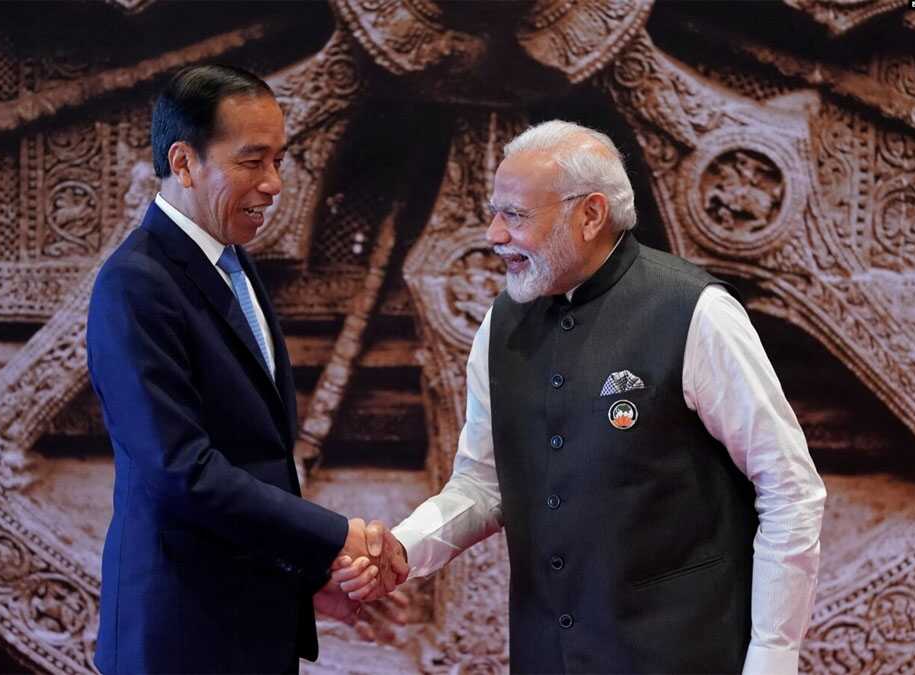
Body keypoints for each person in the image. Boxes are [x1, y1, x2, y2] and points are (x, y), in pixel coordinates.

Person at [366, 120, 826, 674]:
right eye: (495, 212)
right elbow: (484, 483)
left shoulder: (694, 312)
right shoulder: (501, 322)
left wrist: (773, 658)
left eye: (514, 215)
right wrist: (405, 549)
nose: (493, 234)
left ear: (590, 215)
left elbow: (789, 490)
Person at [86, 64, 406, 674]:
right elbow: (180, 470)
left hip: (251, 625)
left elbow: (256, 457)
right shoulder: (135, 284)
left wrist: (312, 575)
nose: (274, 184)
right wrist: (336, 537)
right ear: (183, 164)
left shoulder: (233, 264)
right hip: (180, 637)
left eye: (279, 162)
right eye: (252, 162)